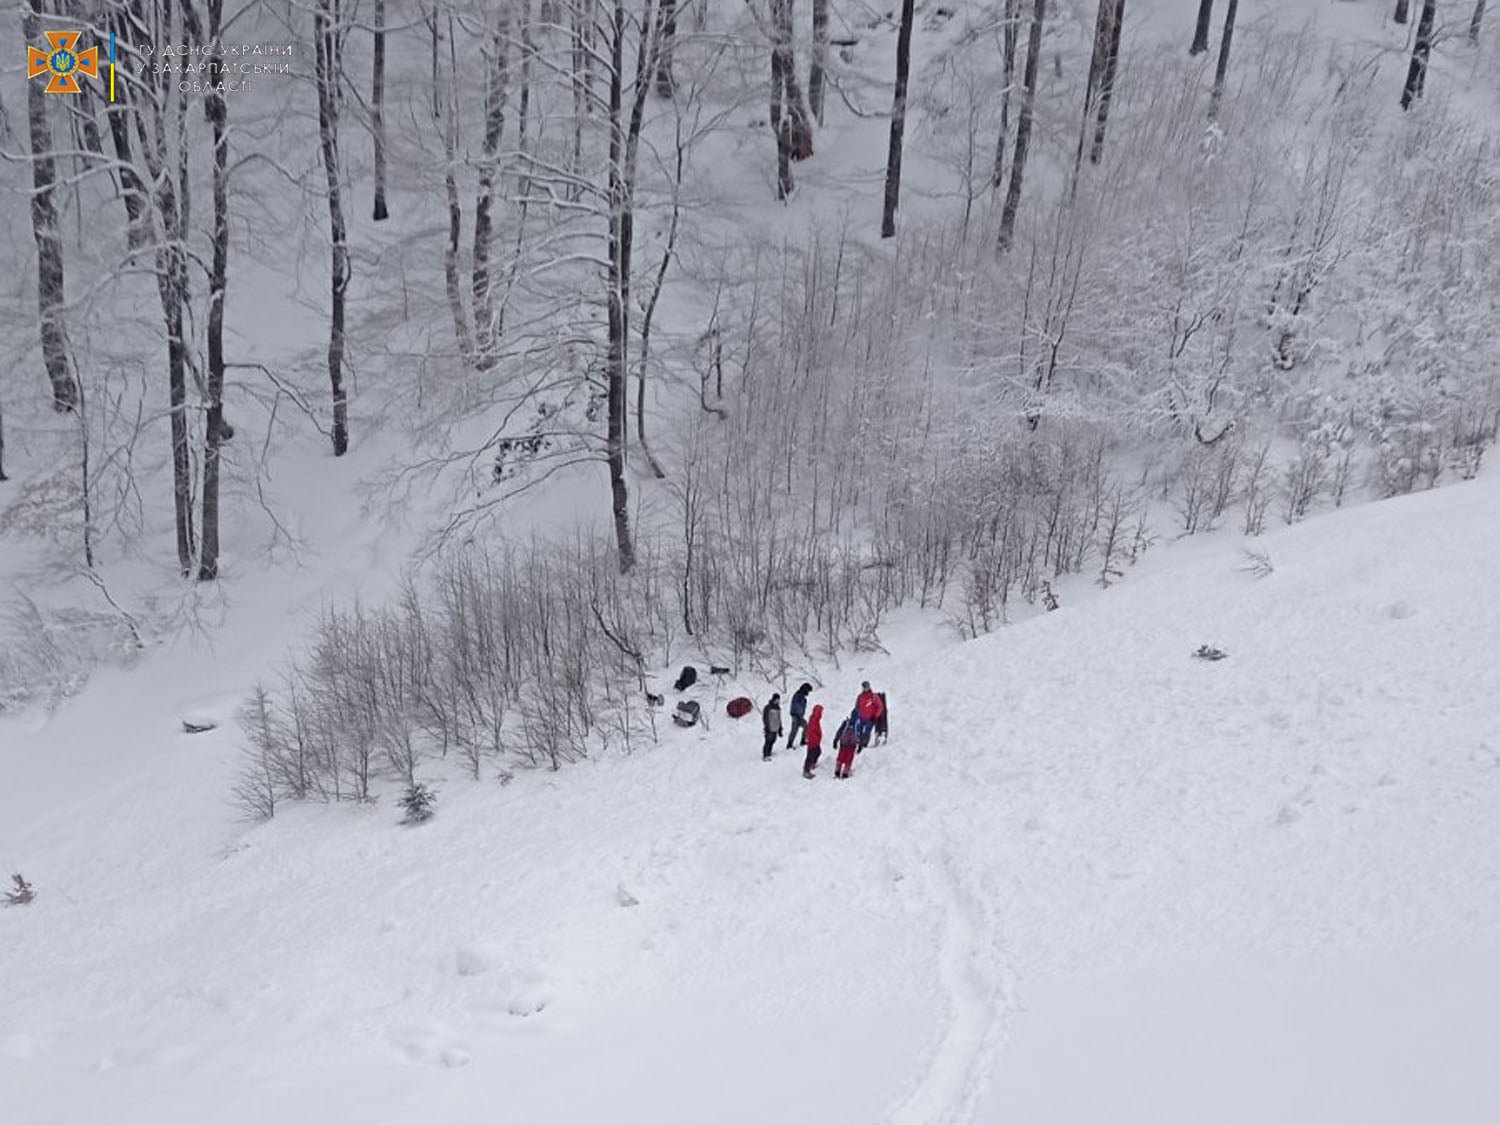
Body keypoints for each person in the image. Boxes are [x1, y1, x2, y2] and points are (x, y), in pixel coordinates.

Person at [855, 682, 884, 751]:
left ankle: (863, 745)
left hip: (870, 718)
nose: (865, 688)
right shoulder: (860, 696)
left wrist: (875, 715)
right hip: (861, 717)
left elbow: (880, 707)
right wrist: (857, 713)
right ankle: (858, 743)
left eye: (866, 687)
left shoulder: (874, 697)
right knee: (858, 730)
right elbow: (857, 706)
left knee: (867, 731)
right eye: (863, 687)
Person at [834, 710, 860, 779]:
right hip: (852, 744)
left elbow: (840, 731)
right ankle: (845, 773)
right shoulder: (857, 724)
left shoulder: (846, 722)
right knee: (849, 758)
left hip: (843, 742)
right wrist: (860, 744)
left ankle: (837, 771)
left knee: (841, 756)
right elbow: (859, 735)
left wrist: (836, 740)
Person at [786, 682, 813, 749]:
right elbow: (795, 705)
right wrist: (797, 714)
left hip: (799, 715)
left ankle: (803, 740)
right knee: (794, 729)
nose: (808, 693)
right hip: (796, 715)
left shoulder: (803, 697)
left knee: (806, 726)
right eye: (808, 691)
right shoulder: (798, 695)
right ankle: (789, 744)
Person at [802, 704, 824, 779]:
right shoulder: (814, 719)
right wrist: (815, 739)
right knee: (810, 755)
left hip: (815, 741)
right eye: (821, 712)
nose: (821, 713)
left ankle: (812, 764)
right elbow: (811, 731)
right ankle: (806, 770)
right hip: (813, 742)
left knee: (818, 752)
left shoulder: (816, 719)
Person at [762, 693, 782, 760]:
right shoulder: (768, 707)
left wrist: (780, 728)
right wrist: (767, 726)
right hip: (769, 727)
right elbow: (765, 718)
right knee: (768, 740)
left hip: (775, 727)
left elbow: (779, 718)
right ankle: (765, 755)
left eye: (778, 700)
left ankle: (769, 752)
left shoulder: (778, 708)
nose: (778, 701)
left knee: (773, 740)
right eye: (777, 699)